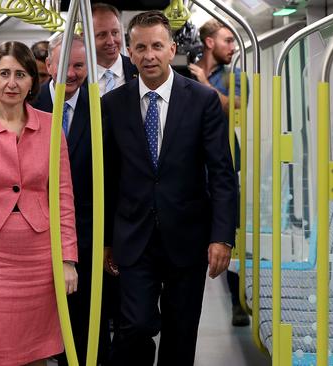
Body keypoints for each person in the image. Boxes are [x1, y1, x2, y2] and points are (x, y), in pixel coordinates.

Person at [102, 11, 237, 365]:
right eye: (141, 47)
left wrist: (222, 236)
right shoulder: (112, 106)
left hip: (188, 236)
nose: (149, 55)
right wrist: (105, 239)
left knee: (180, 332)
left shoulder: (202, 101)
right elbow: (108, 177)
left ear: (172, 48)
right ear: (129, 53)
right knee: (134, 325)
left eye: (157, 46)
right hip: (133, 237)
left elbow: (221, 172)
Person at [0, 41, 78, 366]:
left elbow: (63, 200)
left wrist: (68, 261)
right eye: (4, 73)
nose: (11, 83)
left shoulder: (51, 127)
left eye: (21, 74)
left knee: (37, 354)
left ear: (34, 81)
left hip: (39, 258)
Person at [31, 34, 111, 365]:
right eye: (66, 65)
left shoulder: (102, 110)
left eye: (80, 66)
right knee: (40, 323)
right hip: (37, 231)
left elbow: (111, 176)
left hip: (88, 234)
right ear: (49, 65)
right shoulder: (28, 106)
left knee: (89, 322)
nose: (72, 73)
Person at [189, 19, 249, 327]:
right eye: (227, 40)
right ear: (210, 42)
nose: (233, 47)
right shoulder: (185, 73)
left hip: (224, 162)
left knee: (231, 234)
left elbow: (237, 107)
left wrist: (205, 86)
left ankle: (237, 301)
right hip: (191, 163)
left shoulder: (234, 76)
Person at [91, 3, 138, 95]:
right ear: (85, 38)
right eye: (102, 35)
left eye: (115, 32)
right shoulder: (78, 76)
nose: (111, 41)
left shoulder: (139, 69)